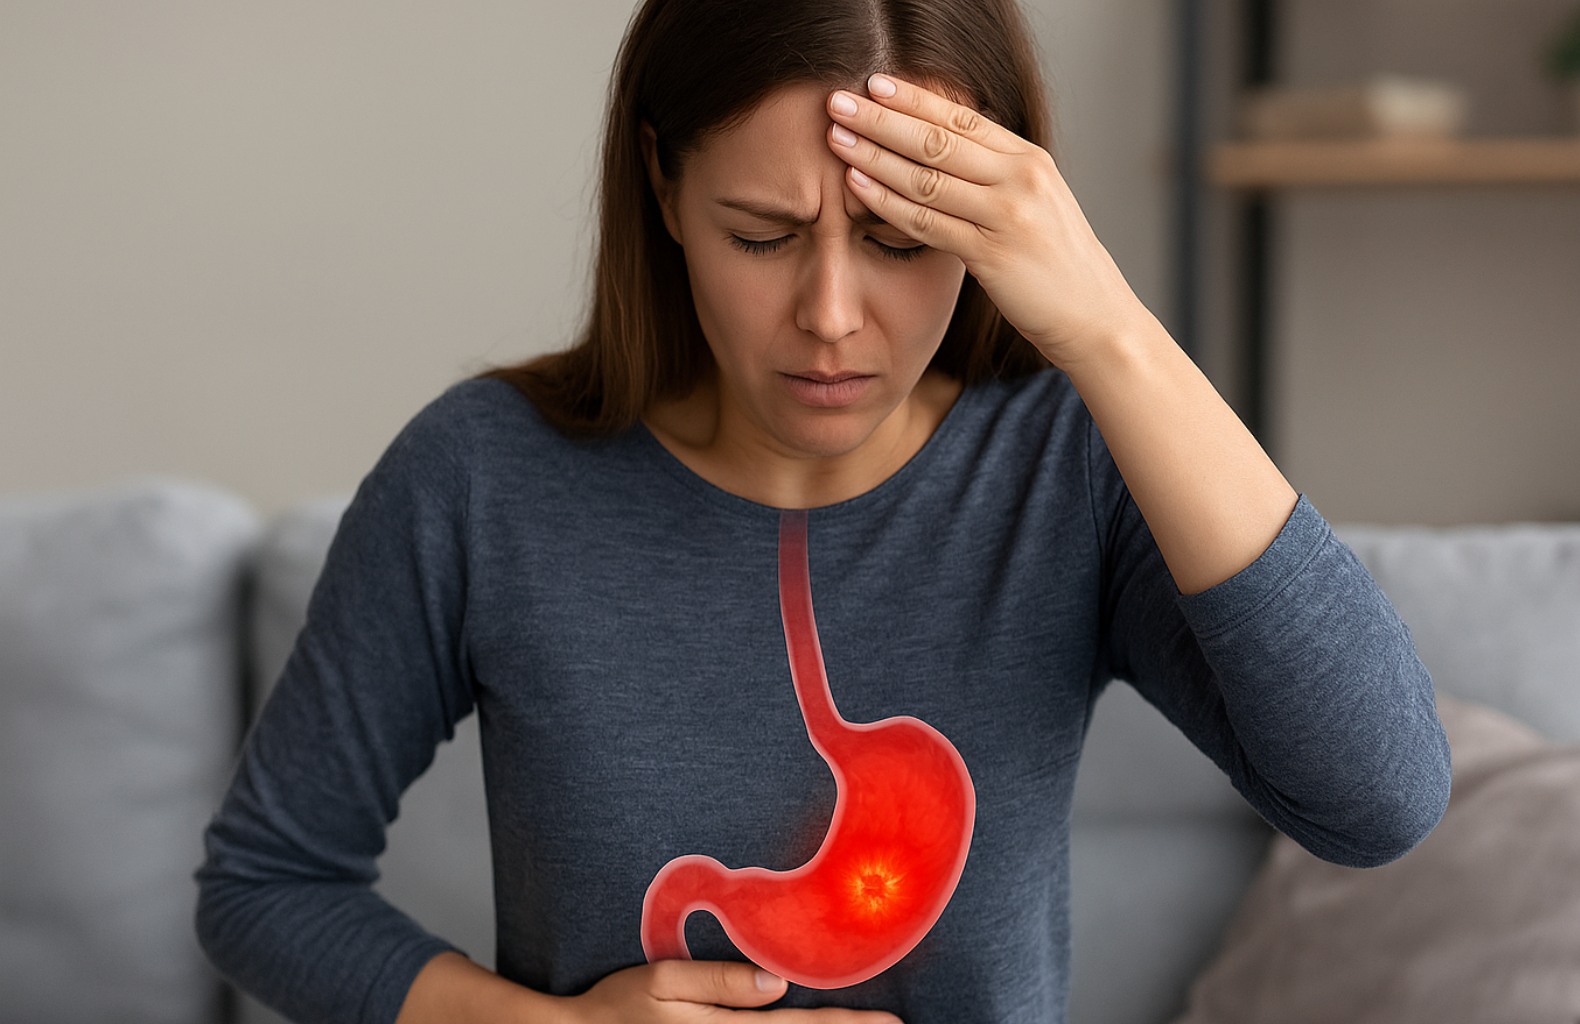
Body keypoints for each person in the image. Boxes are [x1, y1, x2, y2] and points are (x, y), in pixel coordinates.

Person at [196, 0, 1452, 1021]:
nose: (832, 318)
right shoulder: (482, 479)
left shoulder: (1058, 470)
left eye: (902, 241)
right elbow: (264, 882)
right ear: (663, 185)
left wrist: (1111, 332)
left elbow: (1379, 799)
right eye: (762, 236)